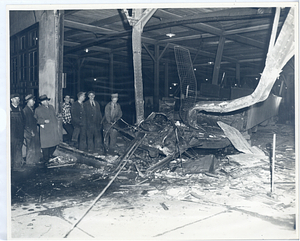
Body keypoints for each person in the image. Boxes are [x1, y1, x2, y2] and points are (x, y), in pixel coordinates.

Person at [34, 94, 60, 165]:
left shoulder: (51, 107)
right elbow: (35, 120)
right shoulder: (38, 109)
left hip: (53, 129)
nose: (46, 102)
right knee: (46, 145)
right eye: (44, 101)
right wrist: (43, 121)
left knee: (55, 144)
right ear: (41, 102)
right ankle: (45, 160)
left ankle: (49, 156)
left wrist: (57, 116)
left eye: (47, 100)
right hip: (45, 130)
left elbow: (54, 116)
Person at [23, 94, 41, 166]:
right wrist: (31, 131)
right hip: (29, 131)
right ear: (28, 101)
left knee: (35, 146)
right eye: (32, 100)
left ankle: (35, 160)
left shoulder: (31, 110)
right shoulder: (25, 110)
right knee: (30, 147)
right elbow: (25, 123)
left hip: (33, 130)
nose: (34, 102)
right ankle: (29, 162)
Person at [10, 93, 25, 171]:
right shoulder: (8, 109)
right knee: (11, 150)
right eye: (16, 98)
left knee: (18, 149)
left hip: (20, 133)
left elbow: (23, 121)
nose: (18, 100)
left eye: (18, 98)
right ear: (11, 100)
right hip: (11, 134)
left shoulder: (20, 109)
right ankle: (11, 166)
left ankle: (17, 166)